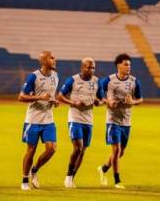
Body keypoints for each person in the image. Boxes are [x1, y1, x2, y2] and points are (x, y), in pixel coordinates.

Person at [97, 53, 143, 189]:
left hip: (126, 121)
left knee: (120, 152)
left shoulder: (134, 81)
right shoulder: (108, 81)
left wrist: (133, 101)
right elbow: (97, 95)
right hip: (112, 120)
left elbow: (140, 99)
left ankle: (104, 168)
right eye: (126, 64)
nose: (128, 67)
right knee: (116, 150)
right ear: (118, 65)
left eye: (129, 65)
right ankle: (117, 180)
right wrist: (107, 101)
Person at [57, 57, 104, 188]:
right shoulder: (73, 80)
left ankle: (72, 177)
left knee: (83, 151)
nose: (92, 70)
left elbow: (102, 100)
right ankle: (68, 176)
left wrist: (98, 102)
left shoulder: (96, 82)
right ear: (82, 67)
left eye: (93, 67)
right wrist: (74, 103)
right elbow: (60, 96)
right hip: (75, 118)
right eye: (89, 67)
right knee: (77, 148)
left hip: (88, 121)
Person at [18, 51, 59, 190]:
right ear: (43, 61)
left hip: (48, 120)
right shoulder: (33, 77)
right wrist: (40, 97)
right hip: (33, 120)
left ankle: (34, 170)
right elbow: (21, 97)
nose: (55, 60)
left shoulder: (55, 76)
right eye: (51, 58)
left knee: (51, 149)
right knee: (31, 150)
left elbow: (50, 96)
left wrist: (54, 101)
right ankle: (24, 180)